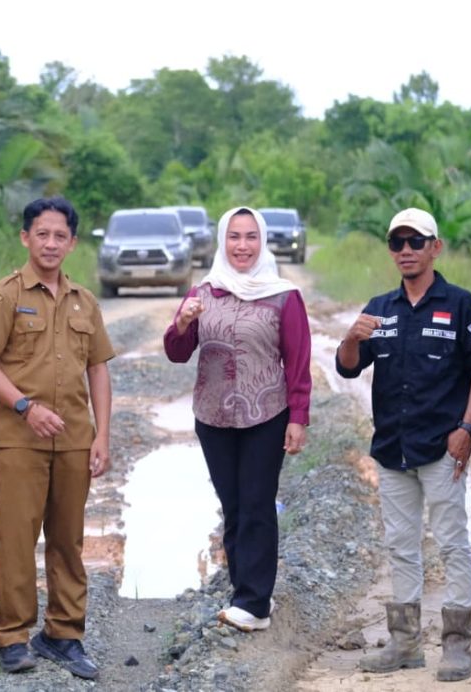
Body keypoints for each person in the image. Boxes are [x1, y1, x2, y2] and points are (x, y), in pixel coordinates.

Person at [334, 208, 471, 682]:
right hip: (392, 446)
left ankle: (458, 645)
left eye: (415, 242)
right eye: (397, 243)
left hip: (442, 446)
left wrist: (468, 428)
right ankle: (404, 642)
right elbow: (347, 368)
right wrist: (350, 338)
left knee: (451, 542)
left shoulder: (461, 305)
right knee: (401, 544)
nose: (405, 250)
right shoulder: (380, 307)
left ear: (435, 247)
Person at [0, 196, 115, 680]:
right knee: (15, 538)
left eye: (60, 236)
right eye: (42, 234)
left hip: (74, 437)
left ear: (72, 243)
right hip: (18, 436)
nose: (50, 243)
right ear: (25, 237)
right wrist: (24, 407)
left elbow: (97, 368)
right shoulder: (4, 296)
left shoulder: (84, 302)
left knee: (68, 540)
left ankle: (63, 635)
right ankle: (12, 636)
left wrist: (102, 435)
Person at [164, 205, 311, 633]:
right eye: (234, 237)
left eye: (250, 237)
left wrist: (297, 417)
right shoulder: (204, 291)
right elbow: (177, 352)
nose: (242, 246)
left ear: (262, 242)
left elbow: (298, 362)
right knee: (233, 507)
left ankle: (255, 603)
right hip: (213, 417)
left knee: (257, 505)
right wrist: (182, 323)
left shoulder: (284, 295)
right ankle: (242, 591)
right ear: (222, 242)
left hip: (267, 413)